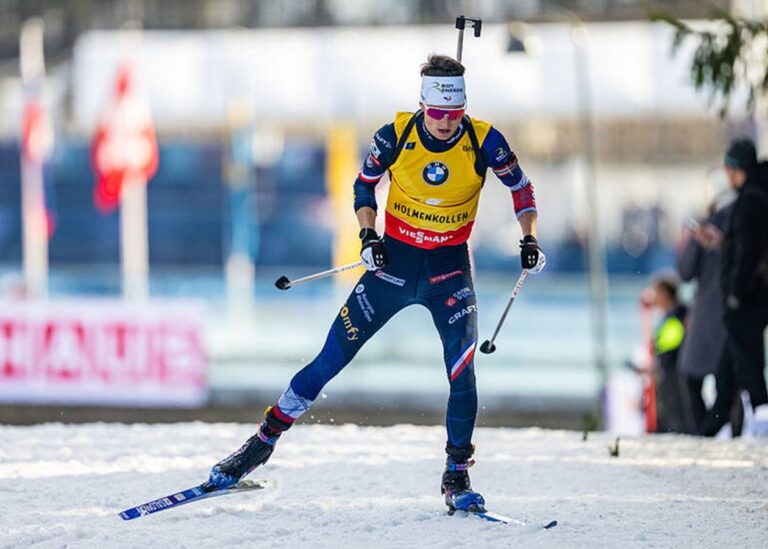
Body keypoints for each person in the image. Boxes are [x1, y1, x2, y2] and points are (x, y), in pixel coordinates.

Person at [207, 54, 546, 512]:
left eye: (455, 114)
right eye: (438, 114)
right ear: (423, 106)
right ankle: (261, 442)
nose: (446, 124)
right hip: (394, 265)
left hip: (449, 272)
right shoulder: (396, 135)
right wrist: (368, 236)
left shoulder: (486, 141)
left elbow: (522, 190)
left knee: (463, 372)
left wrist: (529, 238)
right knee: (330, 359)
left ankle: (457, 474)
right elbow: (363, 188)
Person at [719, 137, 768, 436]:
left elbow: (747, 250)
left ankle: (761, 420)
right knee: (732, 362)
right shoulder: (759, 193)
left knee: (749, 361)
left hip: (750, 295)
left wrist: (736, 292)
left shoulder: (751, 200)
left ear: (739, 169)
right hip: (754, 292)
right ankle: (713, 426)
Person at [676, 200, 734, 434]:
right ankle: (706, 430)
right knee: (700, 377)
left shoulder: (746, 213)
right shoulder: (711, 224)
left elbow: (685, 271)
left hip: (729, 312)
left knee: (727, 379)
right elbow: (686, 271)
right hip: (712, 313)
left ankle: (708, 430)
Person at [646, 275, 687, 433]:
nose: (654, 297)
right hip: (670, 373)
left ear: (664, 293)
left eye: (656, 293)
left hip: (673, 374)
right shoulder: (675, 315)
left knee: (676, 417)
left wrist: (658, 365)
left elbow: (670, 347)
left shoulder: (676, 317)